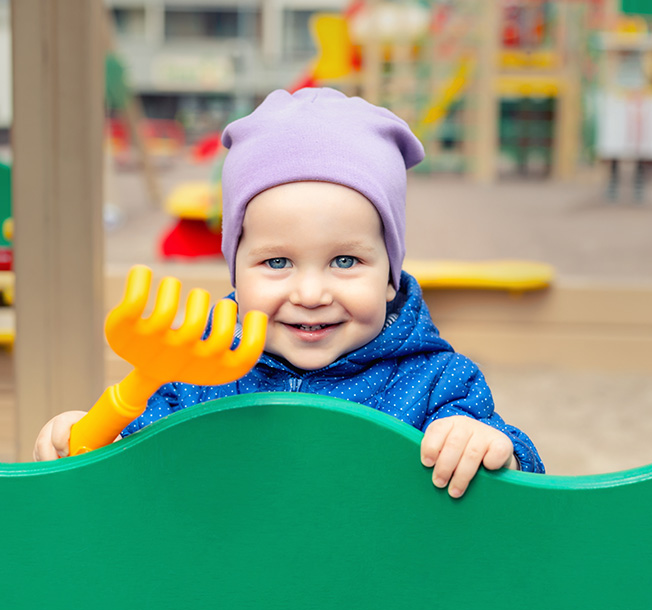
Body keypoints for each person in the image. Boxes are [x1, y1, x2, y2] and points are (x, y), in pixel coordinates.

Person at [35, 87, 544, 495]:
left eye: (345, 260)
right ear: (236, 272)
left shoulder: (439, 384)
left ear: (390, 274)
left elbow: (525, 485)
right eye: (277, 262)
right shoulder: (194, 378)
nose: (310, 292)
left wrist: (490, 448)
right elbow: (129, 474)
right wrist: (84, 435)